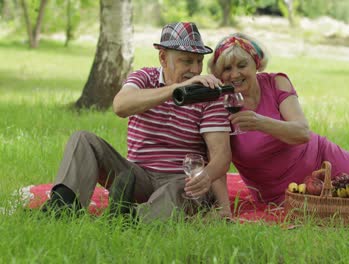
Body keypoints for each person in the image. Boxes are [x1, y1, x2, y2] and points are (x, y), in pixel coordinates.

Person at [41, 22, 232, 222]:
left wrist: (206, 177)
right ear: (163, 58)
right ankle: (62, 207)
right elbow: (120, 106)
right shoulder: (144, 77)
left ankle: (127, 219)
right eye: (186, 61)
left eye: (199, 61)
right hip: (137, 177)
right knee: (82, 139)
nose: (195, 69)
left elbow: (221, 155)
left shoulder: (209, 95)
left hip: (180, 180)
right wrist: (176, 90)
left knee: (179, 191)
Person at [208, 33, 349, 205]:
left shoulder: (276, 82)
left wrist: (259, 122)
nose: (234, 75)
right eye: (227, 68)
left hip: (321, 155)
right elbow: (218, 160)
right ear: (218, 74)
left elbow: (301, 132)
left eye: (241, 65)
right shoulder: (219, 106)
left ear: (256, 64)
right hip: (282, 190)